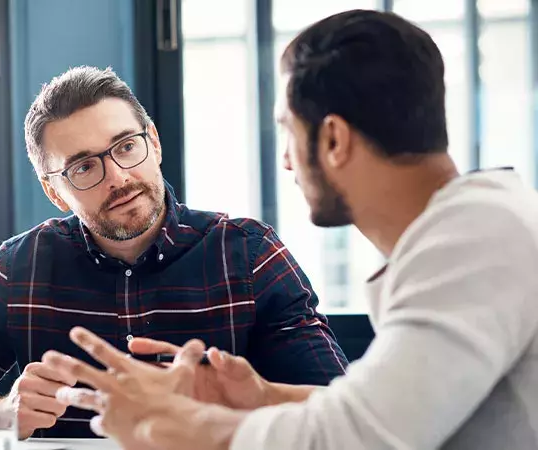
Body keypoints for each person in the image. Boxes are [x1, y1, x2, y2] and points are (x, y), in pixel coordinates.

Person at [43, 9, 538, 450]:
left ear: (333, 140)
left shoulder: (474, 240)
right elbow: (393, 411)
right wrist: (260, 397)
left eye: (287, 130)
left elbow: (361, 439)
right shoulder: (474, 230)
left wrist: (183, 426)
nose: (284, 160)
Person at [0, 66, 348, 439]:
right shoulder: (20, 266)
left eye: (127, 146)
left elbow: (339, 413)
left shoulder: (250, 254)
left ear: (154, 142)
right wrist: (2, 412)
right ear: (53, 192)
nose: (117, 176)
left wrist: (244, 404)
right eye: (83, 167)